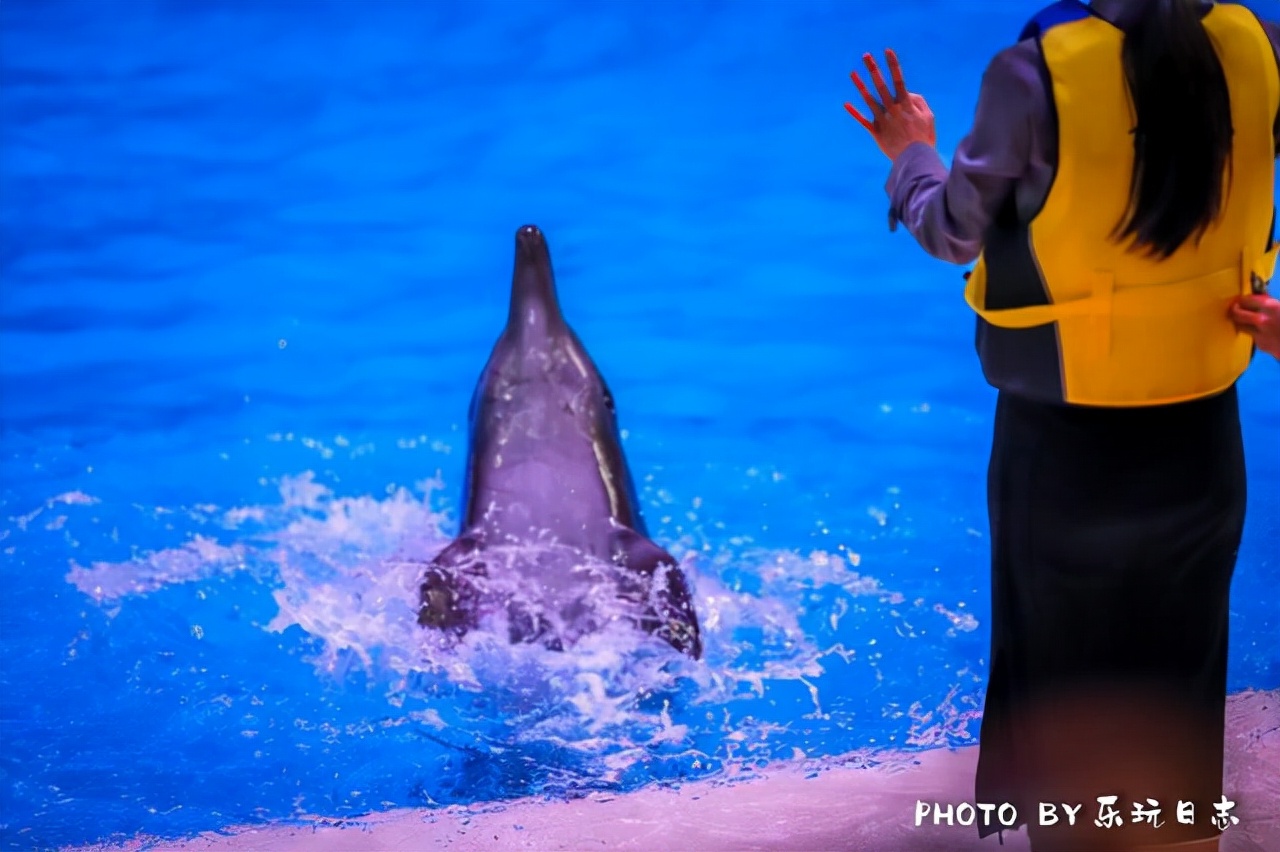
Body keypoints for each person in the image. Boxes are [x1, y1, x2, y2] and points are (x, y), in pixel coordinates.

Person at [844, 1, 1280, 851]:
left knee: (1066, 711)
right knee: (1178, 703)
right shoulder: (1259, 46)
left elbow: (952, 232)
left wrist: (912, 154)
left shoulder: (1034, 74)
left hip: (1064, 449)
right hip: (1204, 445)